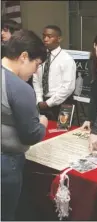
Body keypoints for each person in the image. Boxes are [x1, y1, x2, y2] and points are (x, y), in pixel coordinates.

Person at [1, 29, 48, 221]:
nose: (36, 71)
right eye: (36, 64)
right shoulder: (20, 88)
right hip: (6, 164)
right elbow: (31, 134)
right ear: (24, 56)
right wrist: (43, 123)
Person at [33, 25, 76, 121]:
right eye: (44, 36)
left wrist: (49, 103)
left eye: (49, 36)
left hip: (63, 103)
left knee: (62, 131)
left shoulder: (66, 59)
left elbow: (68, 87)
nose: (45, 39)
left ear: (59, 39)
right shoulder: (40, 57)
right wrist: (39, 100)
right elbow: (36, 80)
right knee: (44, 131)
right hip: (42, 103)